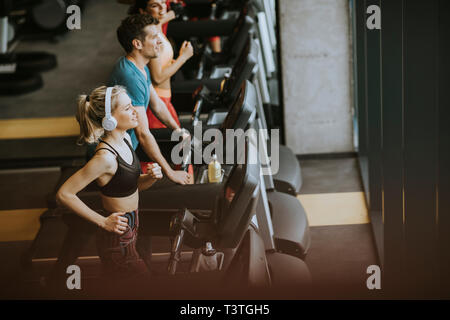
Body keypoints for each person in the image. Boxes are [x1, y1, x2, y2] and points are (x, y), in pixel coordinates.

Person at [56, 85, 163, 278]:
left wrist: (151, 178)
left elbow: (131, 186)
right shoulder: (105, 158)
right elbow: (64, 194)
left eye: (132, 105)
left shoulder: (126, 141)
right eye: (127, 108)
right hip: (116, 237)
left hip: (132, 227)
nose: (134, 111)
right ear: (110, 120)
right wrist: (103, 221)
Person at [109, 13, 191, 183]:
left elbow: (157, 105)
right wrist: (171, 174)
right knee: (185, 159)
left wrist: (178, 130)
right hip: (120, 152)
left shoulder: (140, 67)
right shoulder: (130, 76)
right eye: (154, 37)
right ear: (137, 44)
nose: (160, 42)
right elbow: (143, 134)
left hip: (130, 144)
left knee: (192, 145)